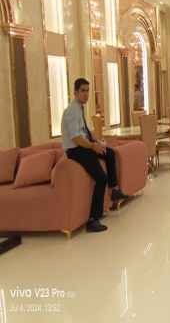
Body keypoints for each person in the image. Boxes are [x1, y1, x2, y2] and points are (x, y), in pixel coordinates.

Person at [61, 78, 130, 233]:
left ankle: (115, 190)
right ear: (75, 92)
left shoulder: (80, 108)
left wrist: (97, 142)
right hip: (75, 150)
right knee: (101, 177)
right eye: (83, 91)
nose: (86, 94)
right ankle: (93, 219)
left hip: (83, 145)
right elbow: (75, 138)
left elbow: (86, 131)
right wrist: (92, 146)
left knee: (109, 153)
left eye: (87, 91)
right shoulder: (71, 110)